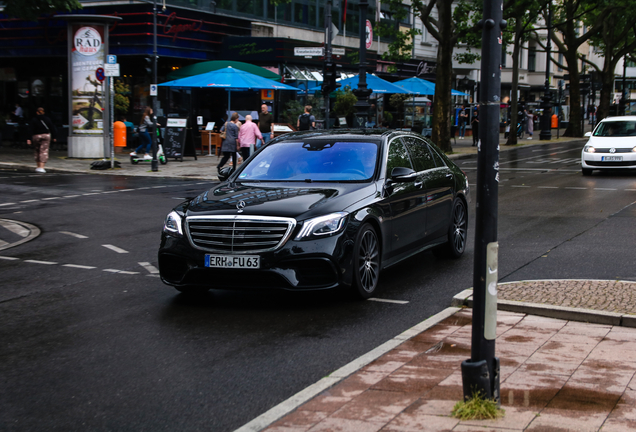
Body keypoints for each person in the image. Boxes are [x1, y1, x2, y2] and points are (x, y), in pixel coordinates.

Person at [26, 107, 57, 173]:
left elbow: (30, 129)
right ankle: (42, 167)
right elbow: (52, 128)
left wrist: (29, 138)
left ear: (37, 112)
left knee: (37, 150)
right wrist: (54, 137)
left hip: (36, 136)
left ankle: (38, 166)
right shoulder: (47, 119)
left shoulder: (33, 120)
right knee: (44, 151)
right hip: (46, 135)